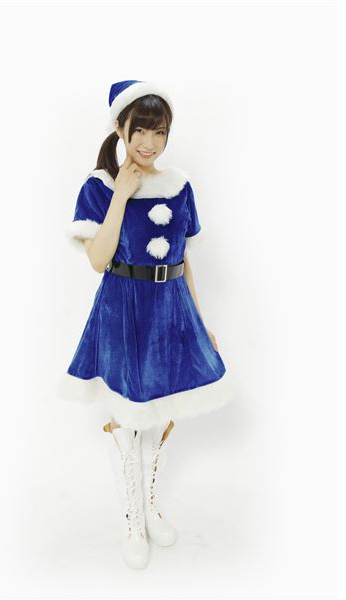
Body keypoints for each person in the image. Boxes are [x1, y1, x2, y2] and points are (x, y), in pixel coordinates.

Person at [56, 79, 238, 569]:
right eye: (140, 130)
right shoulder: (98, 187)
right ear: (120, 127)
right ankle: (133, 519)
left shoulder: (179, 187)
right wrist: (121, 194)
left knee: (162, 413)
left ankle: (150, 504)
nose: (149, 142)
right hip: (124, 311)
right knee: (126, 419)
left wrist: (199, 320)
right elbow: (98, 260)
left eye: (160, 132)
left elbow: (184, 259)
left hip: (171, 310)